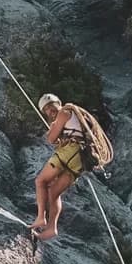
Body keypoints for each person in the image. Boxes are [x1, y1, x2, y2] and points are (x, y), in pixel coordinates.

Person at [29, 93, 86, 246]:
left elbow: (50, 139)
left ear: (58, 103)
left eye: (51, 106)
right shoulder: (73, 116)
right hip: (80, 160)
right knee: (53, 192)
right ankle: (51, 228)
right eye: (46, 110)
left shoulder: (64, 112)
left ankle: (41, 217)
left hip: (70, 152)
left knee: (41, 181)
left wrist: (54, 128)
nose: (49, 111)